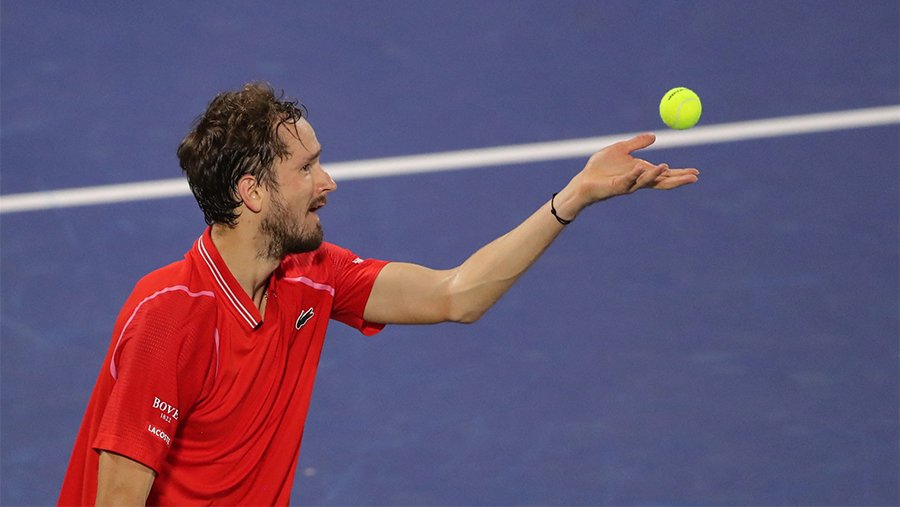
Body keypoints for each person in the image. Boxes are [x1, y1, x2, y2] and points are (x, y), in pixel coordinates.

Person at [58, 82, 699, 506]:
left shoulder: (313, 274)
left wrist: (575, 196)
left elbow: (457, 295)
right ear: (252, 193)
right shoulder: (170, 316)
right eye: (306, 168)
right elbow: (116, 499)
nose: (328, 182)